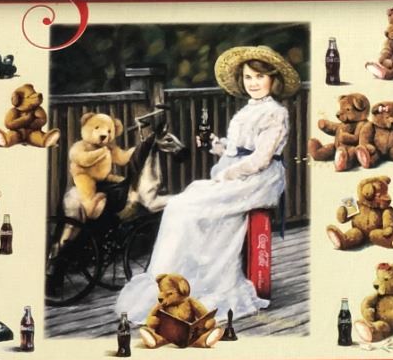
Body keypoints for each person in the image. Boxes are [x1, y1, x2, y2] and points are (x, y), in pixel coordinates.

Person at [116, 45, 297, 326]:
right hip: (239, 173)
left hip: (259, 179)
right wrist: (218, 146)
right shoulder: (249, 109)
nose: (253, 83)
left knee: (188, 206)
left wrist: (229, 173)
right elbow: (239, 149)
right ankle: (175, 280)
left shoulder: (275, 113)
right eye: (248, 77)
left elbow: (260, 158)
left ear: (273, 80)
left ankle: (206, 281)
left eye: (260, 77)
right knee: (181, 204)